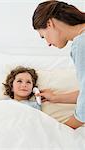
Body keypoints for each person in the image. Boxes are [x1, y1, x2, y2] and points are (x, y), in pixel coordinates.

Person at [32, 0, 85, 129]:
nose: (48, 43)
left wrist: (60, 131)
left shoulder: (81, 44)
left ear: (49, 23)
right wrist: (56, 98)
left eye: (43, 36)